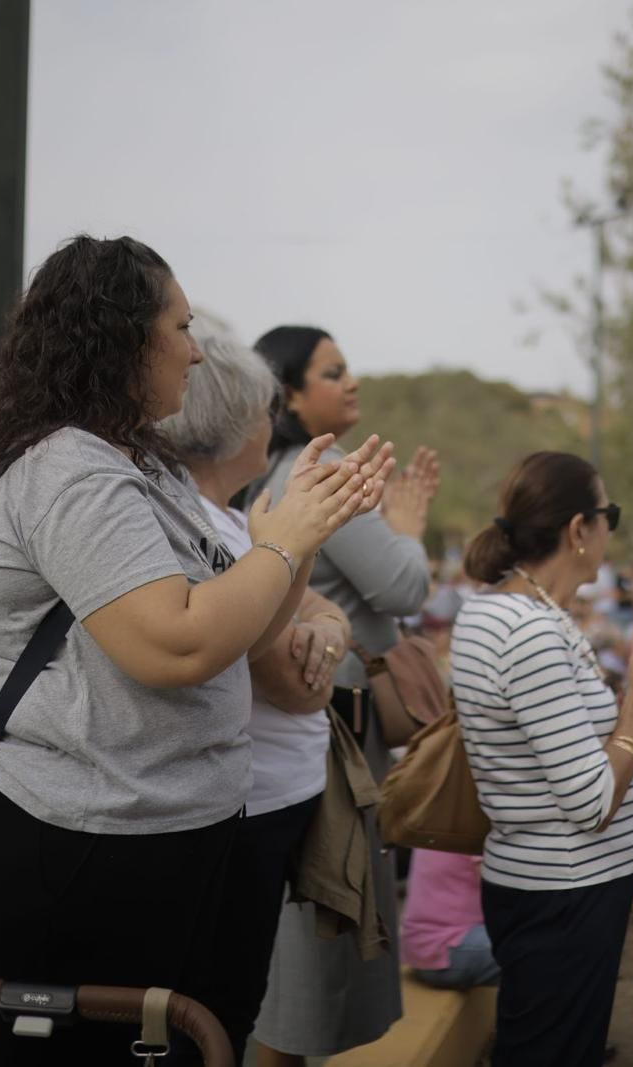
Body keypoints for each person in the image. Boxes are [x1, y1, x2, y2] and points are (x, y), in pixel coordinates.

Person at [0, 236, 391, 1065]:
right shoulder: (71, 472)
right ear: (120, 336)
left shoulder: (141, 462)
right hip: (84, 844)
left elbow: (243, 628)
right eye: (180, 328)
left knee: (194, 1041)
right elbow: (177, 646)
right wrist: (286, 542)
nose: (196, 350)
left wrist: (297, 535)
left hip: (161, 832)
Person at [450, 450, 633, 1067]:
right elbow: (591, 802)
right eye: (611, 515)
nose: (612, 531)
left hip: (554, 885)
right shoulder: (528, 632)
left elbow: (566, 743)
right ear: (579, 529)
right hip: (562, 892)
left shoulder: (505, 610)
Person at [161, 332, 357, 1062]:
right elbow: (295, 687)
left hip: (265, 803)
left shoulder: (232, 520)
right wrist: (317, 638)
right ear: (238, 422)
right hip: (245, 812)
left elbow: (317, 609)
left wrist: (326, 630)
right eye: (265, 409)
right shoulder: (203, 525)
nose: (272, 425)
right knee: (221, 1008)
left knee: (232, 1000)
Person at [247, 325, 433, 1066]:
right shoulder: (321, 474)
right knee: (313, 942)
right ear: (289, 394)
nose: (351, 381)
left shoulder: (272, 473)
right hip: (332, 729)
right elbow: (404, 585)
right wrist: (408, 528)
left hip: (299, 721)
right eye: (333, 371)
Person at [400, 850, 500, 991]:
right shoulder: (477, 835)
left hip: (425, 946)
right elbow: (502, 894)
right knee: (530, 950)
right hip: (447, 948)